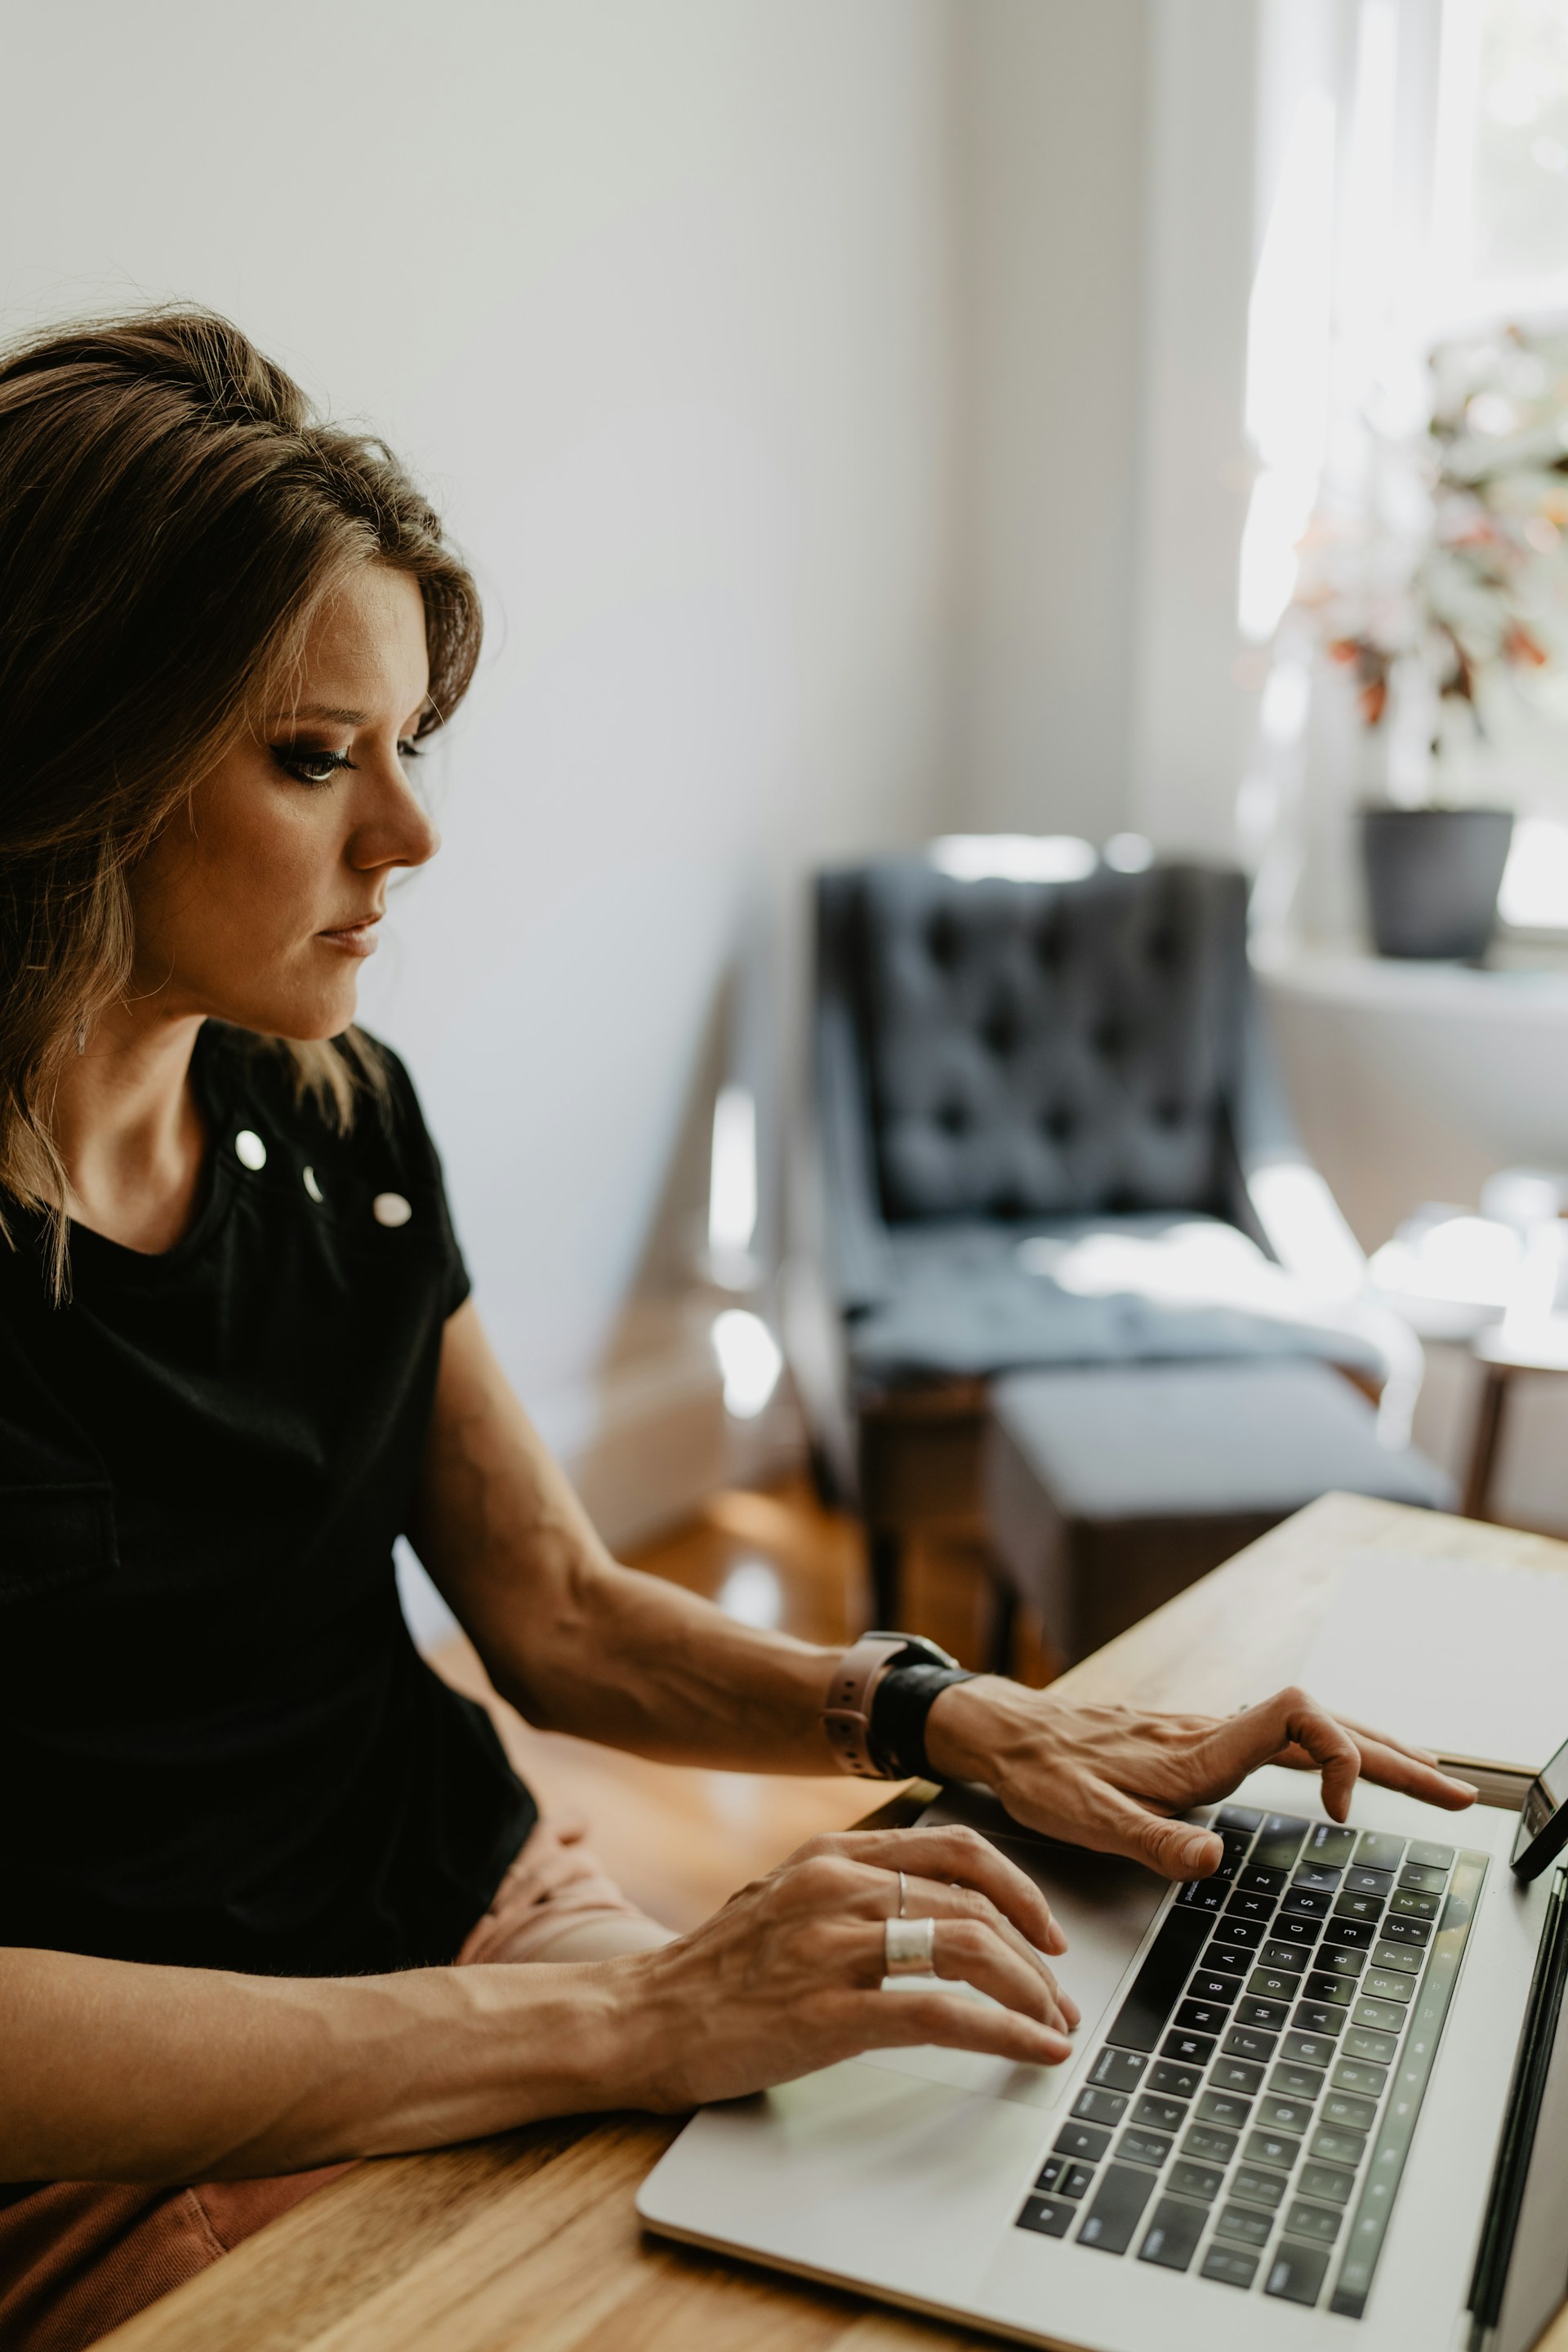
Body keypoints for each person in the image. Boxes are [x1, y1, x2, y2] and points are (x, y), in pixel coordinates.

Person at [0, 310, 1474, 2352]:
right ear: (67, 753)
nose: (408, 839)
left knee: (926, 2254)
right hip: (122, 2119)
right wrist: (626, 2013)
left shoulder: (334, 1116)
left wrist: (959, 1718)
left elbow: (559, 1613)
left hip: (470, 1907)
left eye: (410, 747)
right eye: (315, 758)